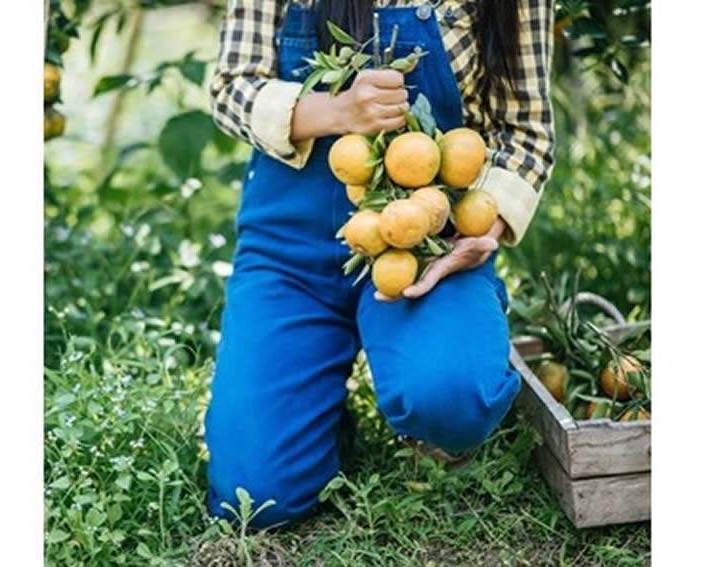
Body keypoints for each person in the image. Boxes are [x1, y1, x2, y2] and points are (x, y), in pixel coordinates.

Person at [205, 0, 555, 527]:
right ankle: (314, 403)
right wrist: (336, 110)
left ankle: (435, 379)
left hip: (424, 246)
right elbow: (230, 85)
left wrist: (485, 227)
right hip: (290, 248)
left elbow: (525, 131)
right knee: (252, 498)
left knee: (454, 397)